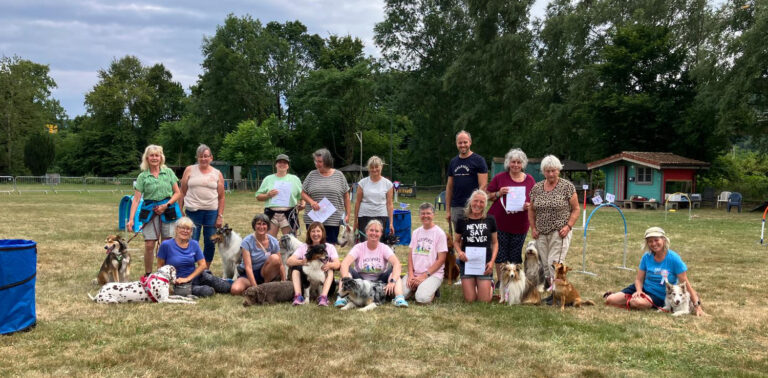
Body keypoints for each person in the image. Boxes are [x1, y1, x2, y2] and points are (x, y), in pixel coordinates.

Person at [604, 227, 705, 316]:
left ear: (664, 240)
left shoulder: (674, 258)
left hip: (658, 295)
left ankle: (632, 300)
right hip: (643, 288)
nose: (653, 244)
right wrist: (639, 291)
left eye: (656, 240)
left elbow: (686, 284)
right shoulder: (646, 257)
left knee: (637, 303)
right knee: (610, 301)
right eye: (650, 241)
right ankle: (622, 297)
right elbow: (639, 279)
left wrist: (697, 305)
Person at [528, 155, 580, 303]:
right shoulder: (537, 188)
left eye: (553, 171)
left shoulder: (567, 187)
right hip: (541, 232)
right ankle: (553, 293)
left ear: (558, 170)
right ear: (543, 171)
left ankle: (558, 295)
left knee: (554, 263)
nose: (551, 174)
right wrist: (533, 227)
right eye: (547, 171)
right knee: (545, 265)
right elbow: (531, 210)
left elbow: (576, 209)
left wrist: (568, 226)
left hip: (560, 232)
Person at [127, 145, 182, 276]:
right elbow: (136, 199)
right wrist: (131, 219)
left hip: (168, 210)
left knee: (166, 244)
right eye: (151, 155)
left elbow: (177, 193)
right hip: (149, 211)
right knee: (149, 244)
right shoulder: (142, 176)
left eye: (157, 155)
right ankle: (148, 275)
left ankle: (164, 274)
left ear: (161, 157)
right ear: (147, 158)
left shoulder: (168, 172)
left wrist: (166, 205)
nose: (154, 158)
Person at [486, 148, 536, 283]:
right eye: (513, 162)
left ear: (523, 164)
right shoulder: (499, 178)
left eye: (519, 162)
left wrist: (529, 205)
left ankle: (514, 281)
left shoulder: (530, 180)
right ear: (508, 163)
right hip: (500, 222)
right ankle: (501, 281)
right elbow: (487, 196)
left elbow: (535, 200)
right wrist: (498, 193)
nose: (515, 165)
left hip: (520, 223)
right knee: (500, 253)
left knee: (515, 253)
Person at [336, 220, 408, 308]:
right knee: (348, 271)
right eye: (371, 230)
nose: (374, 233)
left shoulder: (384, 248)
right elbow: (344, 263)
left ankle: (399, 298)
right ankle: (342, 298)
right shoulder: (359, 247)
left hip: (380, 281)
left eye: (377, 231)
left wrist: (392, 281)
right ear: (366, 232)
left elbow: (396, 263)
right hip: (361, 280)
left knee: (394, 271)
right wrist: (345, 279)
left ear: (381, 233)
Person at [156, 217, 231, 297]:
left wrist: (188, 278)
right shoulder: (166, 245)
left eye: (188, 229)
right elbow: (160, 267)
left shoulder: (194, 244)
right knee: (207, 291)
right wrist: (166, 285)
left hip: (198, 277)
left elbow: (203, 265)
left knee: (226, 287)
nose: (185, 231)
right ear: (176, 229)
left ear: (191, 231)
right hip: (181, 283)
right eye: (182, 228)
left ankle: (226, 282)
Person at [180, 144, 225, 268]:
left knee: (211, 242)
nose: (203, 159)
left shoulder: (217, 173)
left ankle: (205, 270)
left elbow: (221, 197)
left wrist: (220, 216)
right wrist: (180, 210)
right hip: (192, 212)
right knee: (191, 241)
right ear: (197, 158)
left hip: (211, 213)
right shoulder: (189, 170)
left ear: (211, 157)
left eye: (206, 156)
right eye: (200, 157)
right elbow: (182, 192)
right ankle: (190, 268)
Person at [454, 190, 498, 303]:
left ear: (485, 204)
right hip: (467, 263)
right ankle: (476, 285)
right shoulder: (462, 220)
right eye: (475, 201)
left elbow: (495, 243)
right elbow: (456, 242)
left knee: (484, 301)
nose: (478, 204)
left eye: (481, 202)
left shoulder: (490, 219)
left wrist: (492, 262)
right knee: (470, 299)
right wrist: (460, 253)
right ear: (470, 201)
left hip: (484, 264)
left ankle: (489, 285)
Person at [301, 148, 351, 244]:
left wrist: (348, 214)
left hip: (333, 219)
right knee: (313, 247)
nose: (316, 164)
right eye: (316, 161)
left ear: (327, 161)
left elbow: (346, 196)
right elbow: (303, 193)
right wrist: (311, 202)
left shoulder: (339, 175)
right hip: (314, 219)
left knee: (330, 247)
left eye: (319, 161)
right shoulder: (311, 175)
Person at [401, 203, 447, 304]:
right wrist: (411, 275)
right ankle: (416, 287)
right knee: (400, 294)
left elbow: (441, 259)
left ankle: (431, 290)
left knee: (422, 299)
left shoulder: (440, 233)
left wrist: (424, 276)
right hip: (415, 272)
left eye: (428, 213)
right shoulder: (416, 232)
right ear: (419, 215)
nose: (425, 216)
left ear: (433, 215)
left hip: (432, 274)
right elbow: (410, 255)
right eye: (422, 213)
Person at [286, 222, 340, 306]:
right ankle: (298, 296)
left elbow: (337, 264)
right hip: (307, 281)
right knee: (295, 269)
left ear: (323, 233)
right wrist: (301, 262)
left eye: (318, 231)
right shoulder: (303, 247)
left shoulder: (330, 247)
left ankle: (323, 297)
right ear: (309, 233)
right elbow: (289, 261)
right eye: (313, 231)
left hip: (325, 283)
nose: (315, 234)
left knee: (330, 270)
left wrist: (330, 265)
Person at [230, 214, 285, 295]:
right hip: (249, 274)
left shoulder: (273, 241)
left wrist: (284, 282)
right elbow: (248, 267)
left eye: (264, 224)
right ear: (254, 226)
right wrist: (256, 288)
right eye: (258, 224)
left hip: (265, 272)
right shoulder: (247, 242)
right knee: (235, 290)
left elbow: (280, 264)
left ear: (268, 226)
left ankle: (265, 285)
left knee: (275, 258)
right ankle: (256, 287)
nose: (261, 227)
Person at [446, 130, 488, 229]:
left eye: (465, 142)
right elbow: (449, 187)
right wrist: (448, 210)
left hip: (473, 207)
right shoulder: (453, 162)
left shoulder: (479, 160)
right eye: (460, 143)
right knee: (458, 239)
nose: (463, 145)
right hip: (457, 206)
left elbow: (483, 185)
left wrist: (475, 205)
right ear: (456, 144)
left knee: (473, 238)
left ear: (470, 142)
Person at [255, 154, 304, 237]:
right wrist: (268, 195)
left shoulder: (295, 179)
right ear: (276, 165)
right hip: (271, 214)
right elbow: (258, 196)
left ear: (288, 166)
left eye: (285, 163)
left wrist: (303, 203)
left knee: (291, 242)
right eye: (280, 162)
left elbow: (302, 196)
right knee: (269, 241)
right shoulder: (268, 179)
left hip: (289, 213)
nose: (282, 164)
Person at [354, 156, 394, 241]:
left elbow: (389, 204)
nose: (374, 169)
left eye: (377, 167)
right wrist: (355, 221)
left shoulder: (388, 184)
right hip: (364, 216)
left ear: (381, 167)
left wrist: (391, 223)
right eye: (372, 167)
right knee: (364, 242)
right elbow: (357, 202)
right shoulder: (362, 183)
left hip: (381, 216)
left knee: (379, 242)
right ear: (368, 168)